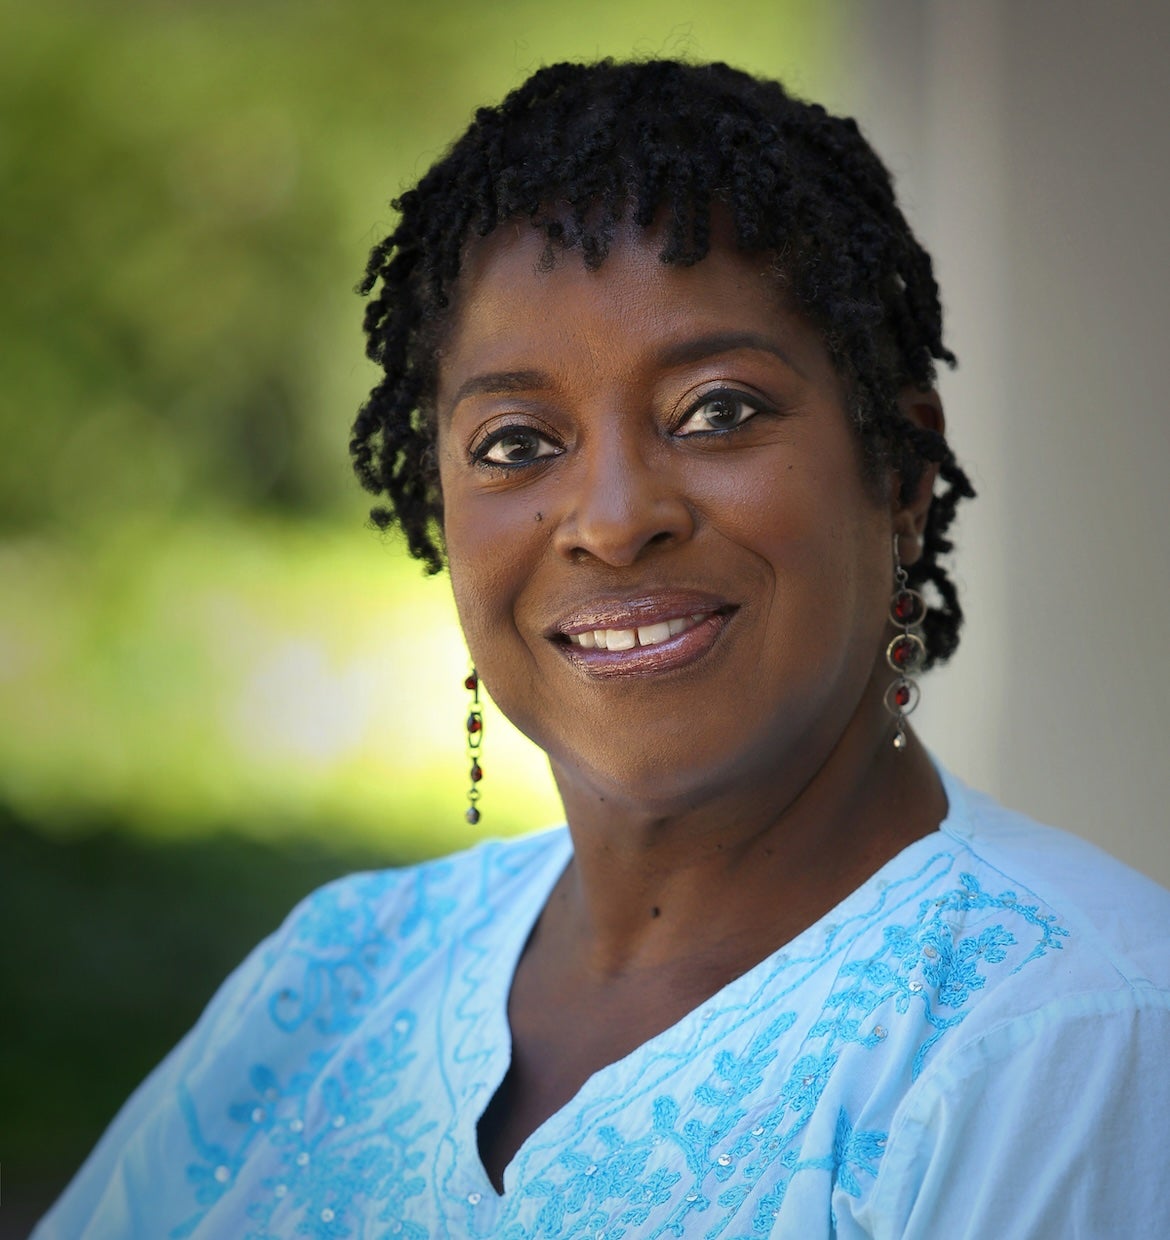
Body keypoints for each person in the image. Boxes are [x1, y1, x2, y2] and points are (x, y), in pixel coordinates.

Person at [36, 59, 1170, 1239]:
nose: (616, 517)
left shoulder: (1071, 1031)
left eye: (718, 410)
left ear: (902, 475)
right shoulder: (339, 974)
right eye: (518, 441)